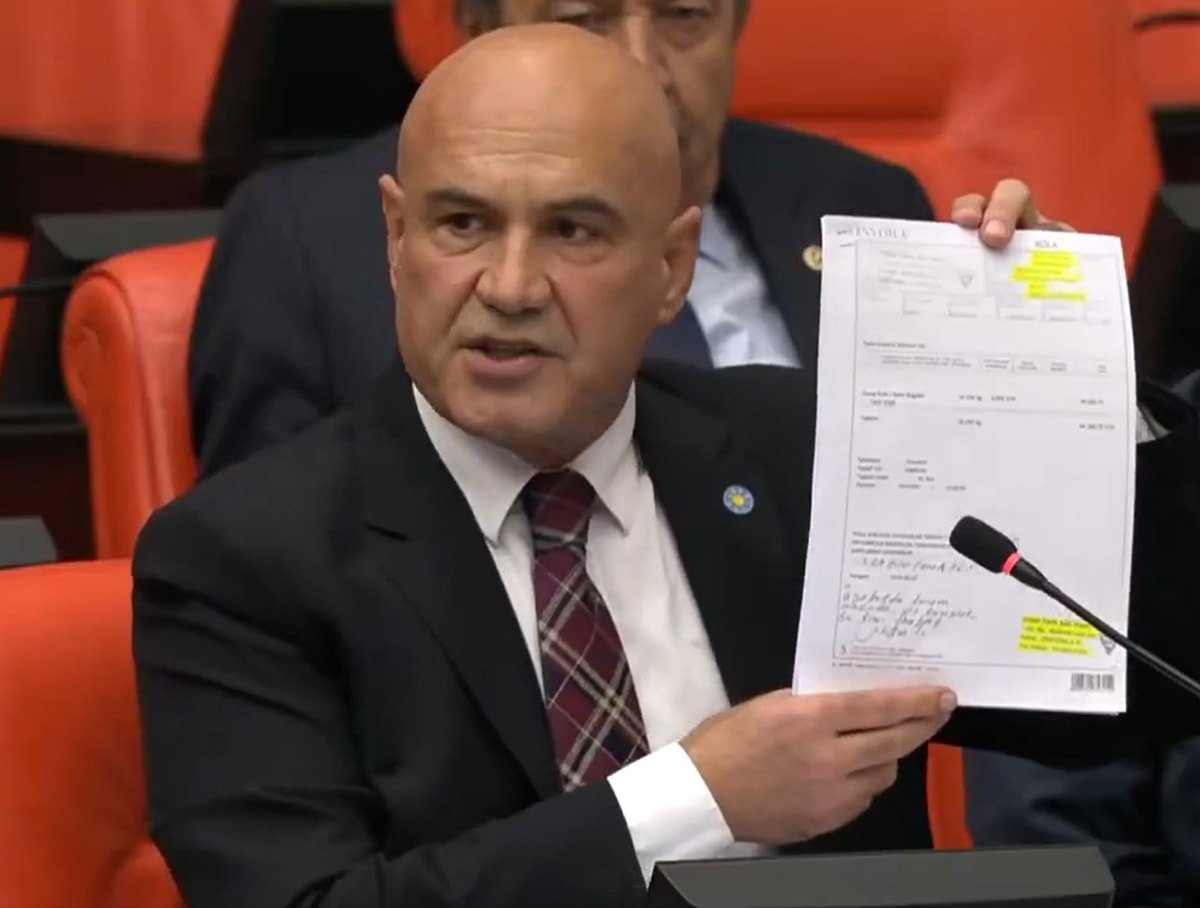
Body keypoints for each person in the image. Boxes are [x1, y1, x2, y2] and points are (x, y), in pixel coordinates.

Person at [135, 24, 1200, 908]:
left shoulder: (797, 452)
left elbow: (1123, 689)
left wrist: (1062, 392)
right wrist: (696, 797)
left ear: (672, 267)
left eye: (574, 232)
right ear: (395, 236)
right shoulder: (243, 559)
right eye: (463, 224)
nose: (509, 285)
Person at [189, 0, 1069, 477]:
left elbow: (967, 511)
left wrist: (1047, 362)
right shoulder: (305, 236)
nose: (644, 64)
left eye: (684, 17)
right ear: (479, 28)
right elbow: (278, 574)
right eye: (587, 18)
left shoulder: (863, 201)